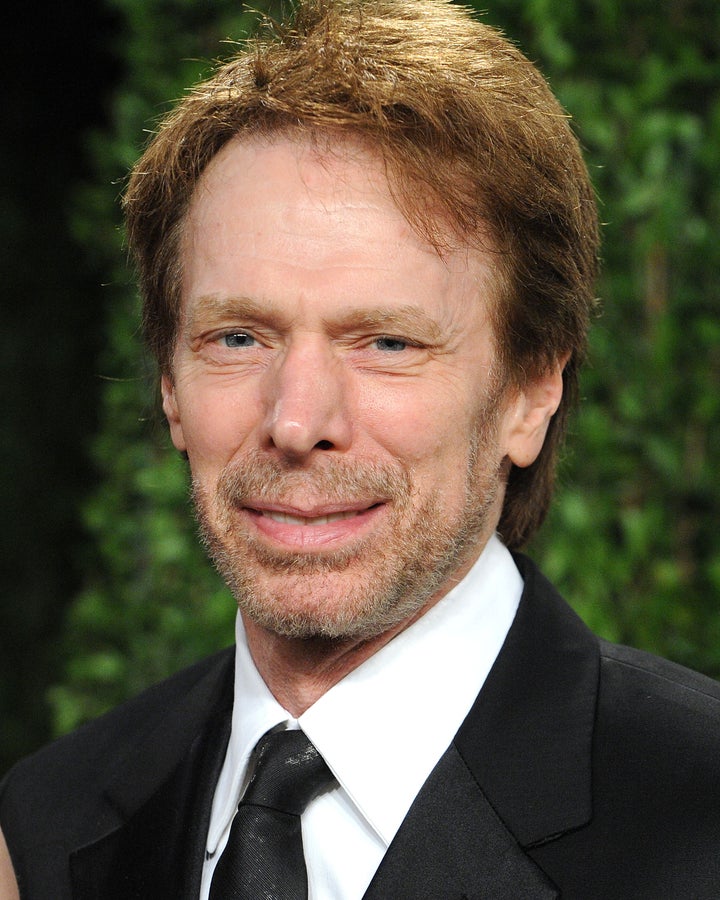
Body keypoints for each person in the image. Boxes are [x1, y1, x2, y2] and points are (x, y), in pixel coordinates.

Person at [2, 0, 719, 897]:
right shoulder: (48, 827)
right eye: (239, 338)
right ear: (169, 387)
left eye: (387, 343)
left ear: (533, 392)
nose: (298, 422)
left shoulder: (698, 822)